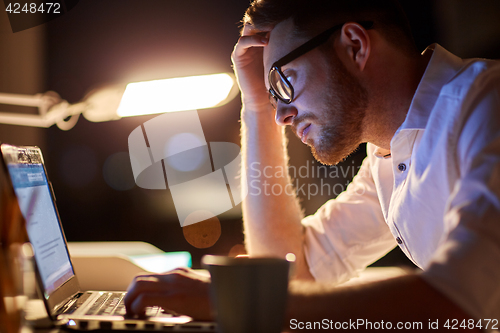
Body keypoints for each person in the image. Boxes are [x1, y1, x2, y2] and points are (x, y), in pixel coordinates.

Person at [125, 0, 500, 328]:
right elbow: (289, 271)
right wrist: (255, 105)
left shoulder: (486, 107)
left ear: (355, 45)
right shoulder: (390, 158)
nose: (281, 116)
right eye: (273, 96)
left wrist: (237, 304)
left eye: (284, 80)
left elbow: (458, 304)